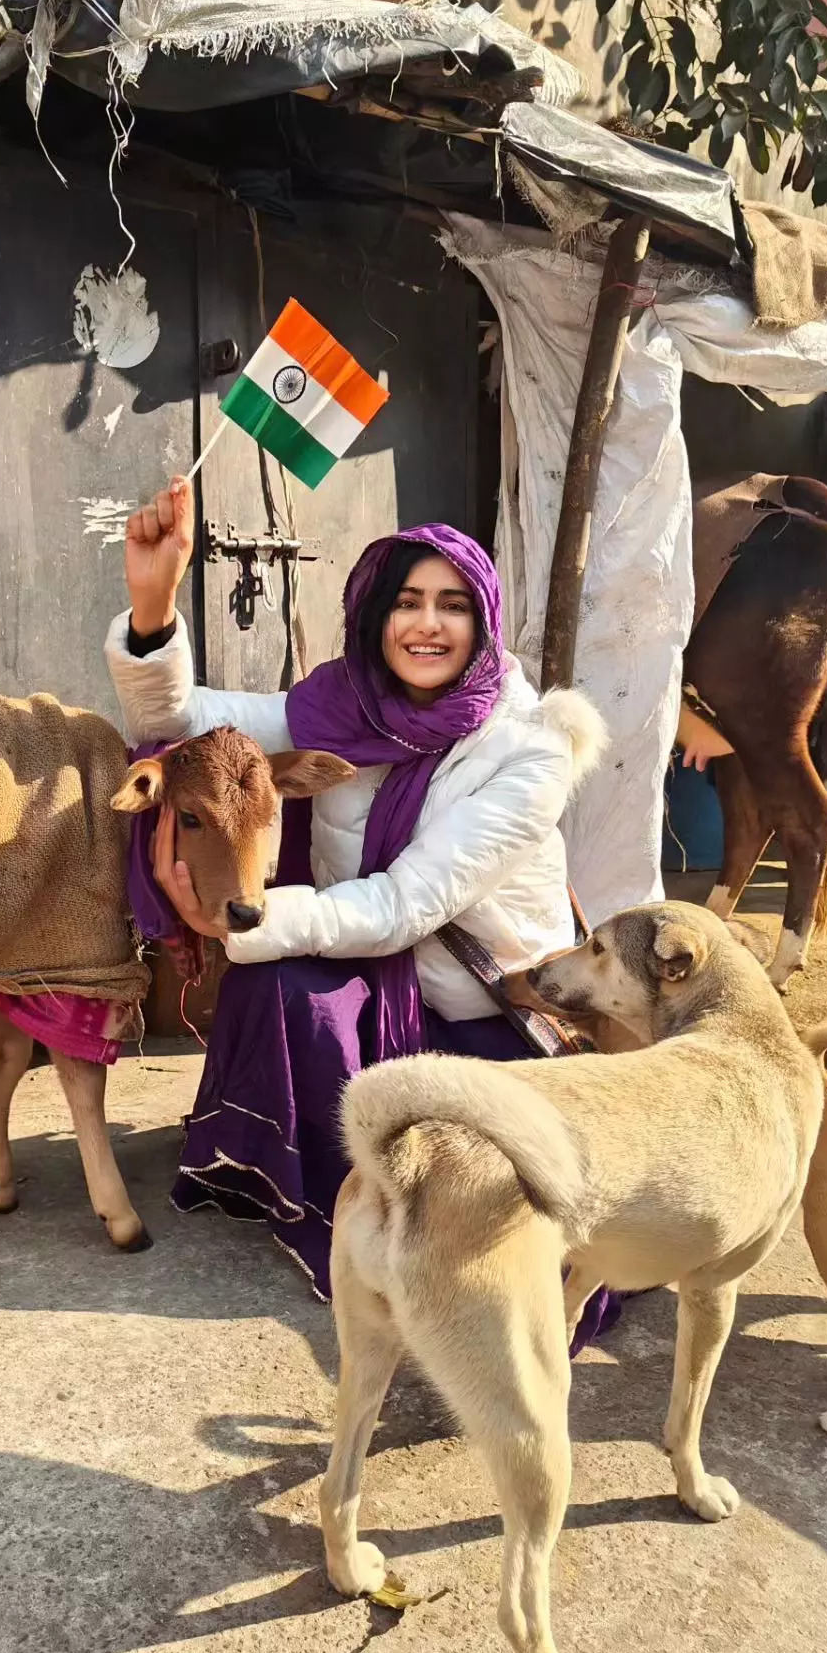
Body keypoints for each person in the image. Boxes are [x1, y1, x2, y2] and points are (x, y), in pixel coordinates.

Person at [108, 477, 616, 1345]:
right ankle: (315, 1187)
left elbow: (402, 906)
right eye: (407, 603)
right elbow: (180, 722)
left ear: (483, 623)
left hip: (481, 1010)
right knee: (281, 994)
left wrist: (233, 924)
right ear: (376, 617)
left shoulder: (530, 751)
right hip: (374, 984)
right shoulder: (339, 708)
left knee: (505, 1217)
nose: (428, 624)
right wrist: (153, 609)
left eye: (452, 606)